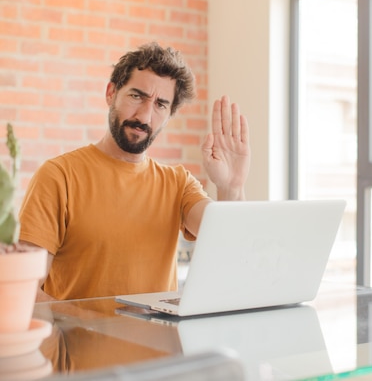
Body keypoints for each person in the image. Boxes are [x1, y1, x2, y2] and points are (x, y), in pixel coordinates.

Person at [19, 42, 250, 302]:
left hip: (160, 344)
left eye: (161, 104)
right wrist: (87, 330)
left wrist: (231, 187)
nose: (144, 116)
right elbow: (24, 290)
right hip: (79, 342)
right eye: (136, 96)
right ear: (111, 93)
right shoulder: (58, 176)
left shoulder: (178, 183)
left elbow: (232, 245)